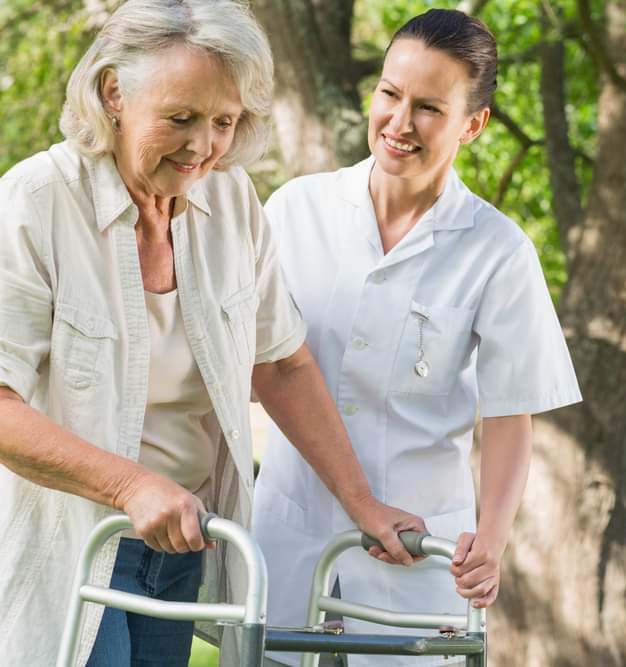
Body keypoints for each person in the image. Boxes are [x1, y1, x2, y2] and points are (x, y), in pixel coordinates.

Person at [0, 1, 423, 665]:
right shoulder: (37, 200)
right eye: (180, 118)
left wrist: (362, 502)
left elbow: (282, 363)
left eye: (224, 121)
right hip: (70, 542)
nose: (203, 146)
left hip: (181, 551)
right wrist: (132, 486)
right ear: (113, 92)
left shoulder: (230, 202)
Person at [252, 9, 582, 666]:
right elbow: (263, 367)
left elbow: (511, 412)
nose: (400, 123)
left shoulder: (498, 251)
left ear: (473, 124)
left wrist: (491, 537)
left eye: (429, 107)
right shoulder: (295, 210)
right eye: (390, 94)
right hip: (288, 533)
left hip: (418, 550)